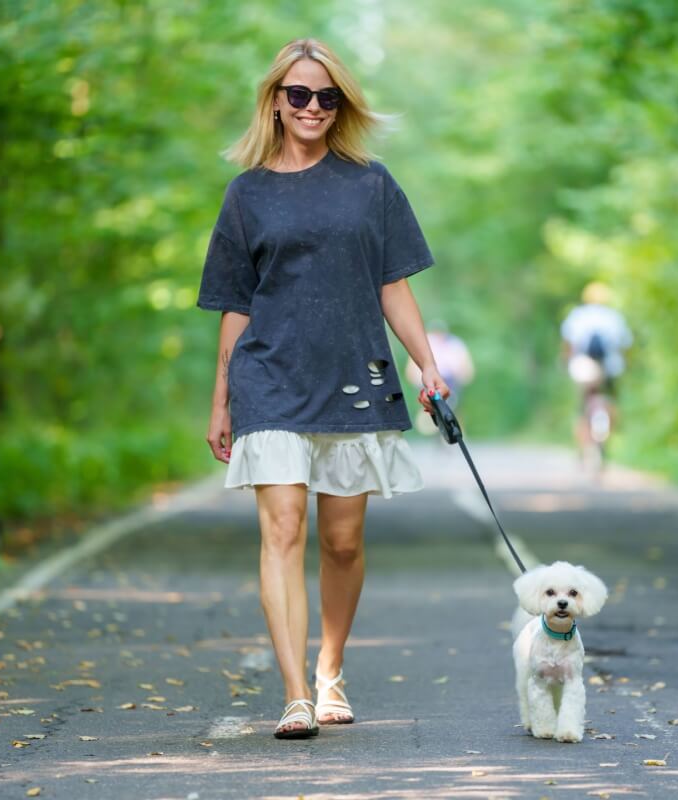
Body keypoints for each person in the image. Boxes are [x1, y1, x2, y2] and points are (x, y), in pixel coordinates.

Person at [197, 38, 449, 740]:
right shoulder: (246, 193)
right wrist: (221, 398)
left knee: (341, 541)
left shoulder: (370, 183)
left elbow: (392, 284)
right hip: (269, 377)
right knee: (282, 529)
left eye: (326, 96)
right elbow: (235, 304)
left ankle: (330, 670)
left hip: (354, 377)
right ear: (276, 100)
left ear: (341, 104)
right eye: (299, 94)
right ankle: (294, 693)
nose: (312, 107)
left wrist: (427, 364)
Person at [560, 282, 632, 457]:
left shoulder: (578, 316)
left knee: (583, 404)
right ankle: (606, 436)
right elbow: (626, 345)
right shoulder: (614, 317)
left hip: (583, 366)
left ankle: (582, 444)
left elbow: (568, 345)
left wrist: (565, 361)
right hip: (610, 366)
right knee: (610, 400)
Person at [404, 324, 474, 433]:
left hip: (450, 380)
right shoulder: (426, 343)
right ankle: (433, 426)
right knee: (433, 407)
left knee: (453, 407)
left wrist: (463, 377)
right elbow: (412, 366)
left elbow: (465, 365)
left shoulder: (455, 344)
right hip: (429, 381)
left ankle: (454, 429)